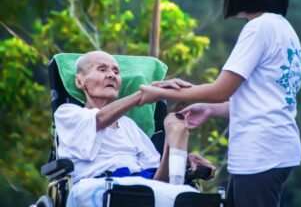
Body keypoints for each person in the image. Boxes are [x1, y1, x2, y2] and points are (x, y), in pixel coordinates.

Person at [138, 0, 301, 206]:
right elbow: (265, 99)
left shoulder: (259, 28)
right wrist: (210, 109)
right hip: (276, 147)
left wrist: (159, 92)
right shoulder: (284, 29)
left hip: (260, 152)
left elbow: (220, 90)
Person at [54, 51, 215, 186]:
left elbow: (157, 175)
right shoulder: (68, 113)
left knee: (174, 123)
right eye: (102, 70)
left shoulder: (129, 125)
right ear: (79, 81)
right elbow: (99, 119)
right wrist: (144, 93)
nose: (111, 75)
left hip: (139, 187)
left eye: (116, 72)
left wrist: (178, 157)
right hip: (95, 187)